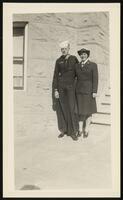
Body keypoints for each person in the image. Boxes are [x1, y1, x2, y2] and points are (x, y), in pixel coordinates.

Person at [52, 41, 79, 141]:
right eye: (62, 49)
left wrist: (77, 87)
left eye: (65, 49)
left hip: (71, 88)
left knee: (71, 109)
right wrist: (56, 90)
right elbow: (55, 76)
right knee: (62, 109)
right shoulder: (58, 61)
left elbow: (78, 74)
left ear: (68, 48)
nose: (63, 50)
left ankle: (73, 132)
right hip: (61, 88)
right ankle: (63, 130)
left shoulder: (74, 59)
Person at [75, 48, 98, 138]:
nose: (82, 56)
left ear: (87, 55)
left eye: (84, 54)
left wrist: (94, 91)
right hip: (79, 91)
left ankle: (86, 129)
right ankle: (80, 130)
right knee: (80, 111)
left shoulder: (93, 65)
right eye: (81, 54)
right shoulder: (77, 65)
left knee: (88, 111)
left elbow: (95, 79)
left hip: (89, 91)